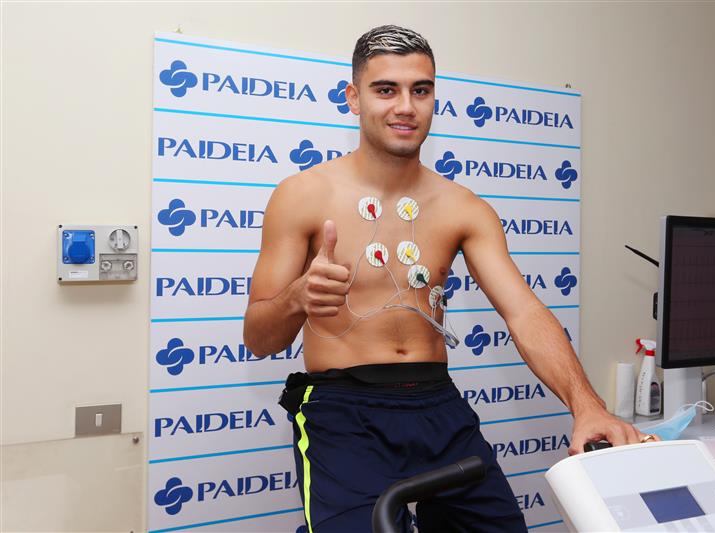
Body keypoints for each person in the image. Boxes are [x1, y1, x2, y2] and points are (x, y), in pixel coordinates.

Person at [244, 24, 653, 533]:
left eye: (421, 89)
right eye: (385, 89)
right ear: (353, 97)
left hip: (437, 404)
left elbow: (523, 311)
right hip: (342, 410)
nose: (405, 107)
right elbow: (259, 338)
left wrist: (587, 407)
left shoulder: (463, 207)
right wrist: (298, 298)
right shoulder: (301, 195)